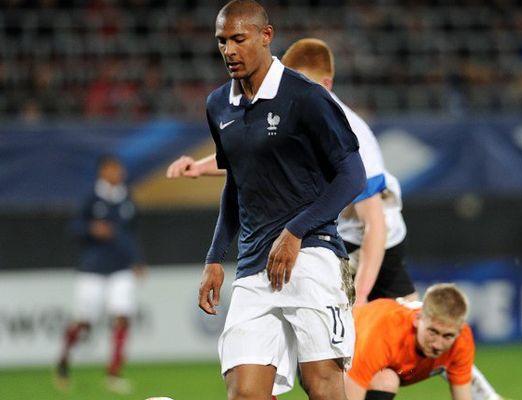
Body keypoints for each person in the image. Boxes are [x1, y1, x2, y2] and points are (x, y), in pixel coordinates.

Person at [168, 36, 503, 400]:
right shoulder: (286, 108)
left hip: (369, 241)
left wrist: (358, 294)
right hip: (329, 231)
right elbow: (260, 158)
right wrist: (201, 167)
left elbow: (373, 221)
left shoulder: (343, 123)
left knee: (413, 331)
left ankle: (474, 386)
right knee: (408, 339)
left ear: (323, 84)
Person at [168, 1, 366, 399]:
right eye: (222, 41)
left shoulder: (306, 97)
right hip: (254, 267)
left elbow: (352, 176)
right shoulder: (218, 105)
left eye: (239, 39)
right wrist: (214, 258)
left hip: (312, 257)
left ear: (266, 35)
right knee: (244, 392)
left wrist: (295, 232)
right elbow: (236, 185)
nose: (229, 50)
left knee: (323, 387)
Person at [55, 154, 144, 395]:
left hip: (121, 268)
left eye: (119, 168)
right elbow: (74, 227)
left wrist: (136, 260)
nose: (118, 173)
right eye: (113, 169)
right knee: (84, 323)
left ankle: (113, 374)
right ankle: (63, 362)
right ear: (102, 172)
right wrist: (91, 229)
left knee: (122, 316)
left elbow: (130, 233)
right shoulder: (91, 197)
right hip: (93, 269)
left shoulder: (126, 197)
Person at [345, 283, 475, 400]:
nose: (437, 345)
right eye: (432, 332)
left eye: (447, 336)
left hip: (379, 367)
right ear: (418, 319)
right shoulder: (386, 333)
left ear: (459, 331)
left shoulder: (462, 340)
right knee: (386, 381)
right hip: (338, 353)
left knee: (387, 380)